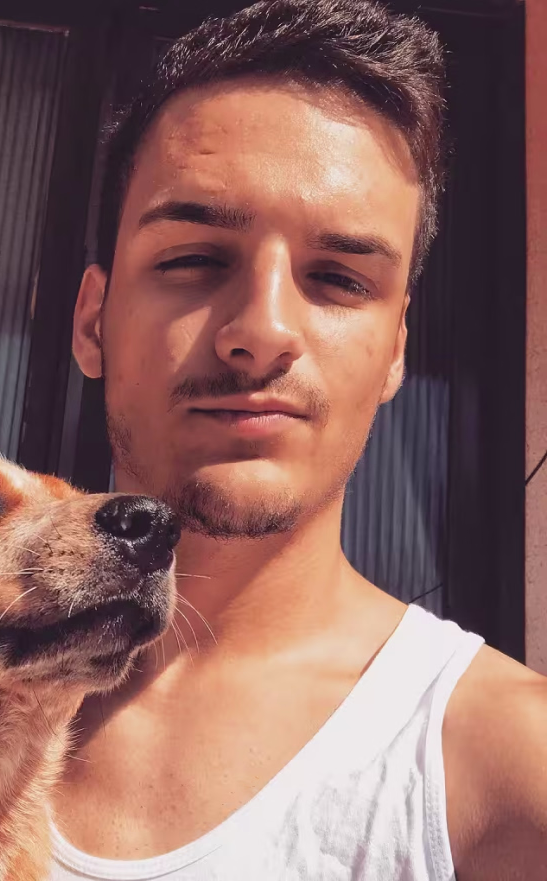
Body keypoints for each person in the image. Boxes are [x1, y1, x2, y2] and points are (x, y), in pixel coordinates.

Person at [48, 1, 547, 879]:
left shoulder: (508, 774)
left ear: (395, 351)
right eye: (194, 259)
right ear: (94, 321)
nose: (262, 330)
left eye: (339, 278)